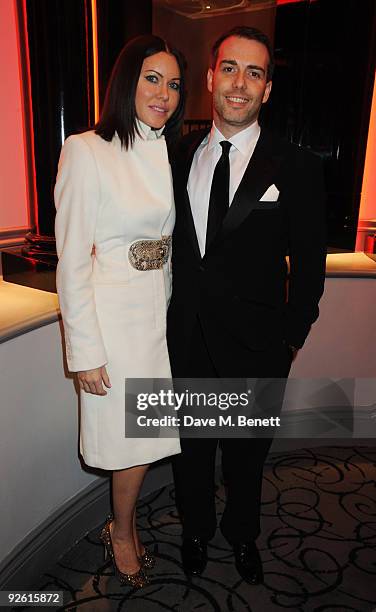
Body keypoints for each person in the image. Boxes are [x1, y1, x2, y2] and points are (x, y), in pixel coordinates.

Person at [167, 26, 326, 584]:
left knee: (245, 460)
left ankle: (242, 536)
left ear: (268, 88)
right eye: (229, 68)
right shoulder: (178, 152)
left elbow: (309, 269)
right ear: (210, 78)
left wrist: (289, 339)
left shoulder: (297, 167)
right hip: (185, 339)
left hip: (258, 347)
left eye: (254, 72)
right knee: (191, 452)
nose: (240, 83)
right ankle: (194, 530)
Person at [54, 35, 185, 589]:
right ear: (126, 81)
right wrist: (85, 352)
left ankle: (120, 524)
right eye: (152, 78)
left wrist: (171, 310)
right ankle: (122, 531)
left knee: (146, 436)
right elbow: (71, 260)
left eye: (174, 83)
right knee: (129, 442)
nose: (164, 93)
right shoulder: (87, 149)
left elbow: (165, 244)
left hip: (152, 318)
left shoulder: (161, 150)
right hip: (111, 323)